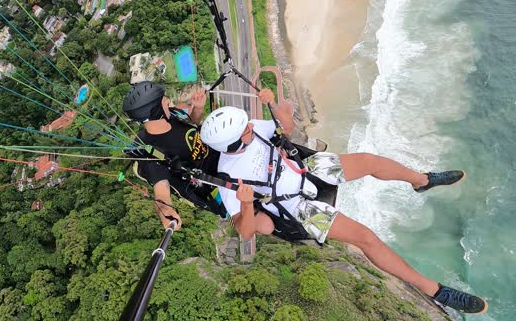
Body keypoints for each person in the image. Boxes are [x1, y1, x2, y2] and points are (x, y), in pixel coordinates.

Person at [199, 100, 487, 314]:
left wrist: (280, 111)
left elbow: (284, 131)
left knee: (371, 162)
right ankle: (436, 291)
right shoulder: (228, 177)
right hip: (295, 206)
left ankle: (422, 180)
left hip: (304, 168)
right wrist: (247, 204)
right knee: (366, 238)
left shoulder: (254, 130)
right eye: (245, 128)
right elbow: (245, 231)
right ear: (234, 143)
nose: (251, 125)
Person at [121, 81, 282, 231]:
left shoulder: (171, 115)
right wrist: (166, 211)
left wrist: (198, 108)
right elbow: (161, 191)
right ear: (155, 111)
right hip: (219, 182)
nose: (167, 101)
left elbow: (192, 130)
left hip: (225, 155)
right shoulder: (151, 154)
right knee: (266, 225)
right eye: (163, 100)